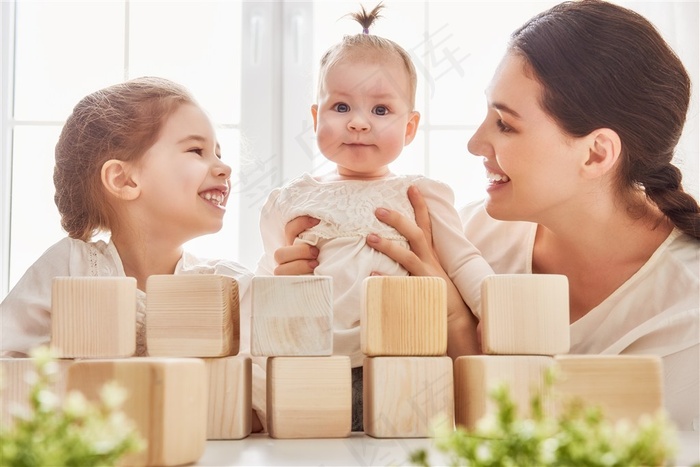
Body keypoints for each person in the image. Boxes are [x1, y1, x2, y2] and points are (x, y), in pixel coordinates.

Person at [276, 0, 700, 431]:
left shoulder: (686, 312)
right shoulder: (468, 232)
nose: (475, 144)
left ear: (596, 153)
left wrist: (456, 322)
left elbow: (541, 445)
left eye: (505, 124)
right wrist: (295, 300)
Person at [256, 4, 492, 431]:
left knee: (402, 441)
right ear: (315, 117)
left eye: (381, 110)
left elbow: (464, 261)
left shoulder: (419, 195)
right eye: (341, 107)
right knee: (312, 448)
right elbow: (268, 278)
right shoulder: (290, 201)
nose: (359, 124)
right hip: (318, 363)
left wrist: (496, 307)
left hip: (407, 356)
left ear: (410, 127)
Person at [0, 77, 264, 431]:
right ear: (124, 180)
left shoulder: (231, 285)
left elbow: (263, 397)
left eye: (218, 153)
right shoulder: (69, 267)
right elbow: (9, 366)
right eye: (196, 151)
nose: (223, 167)